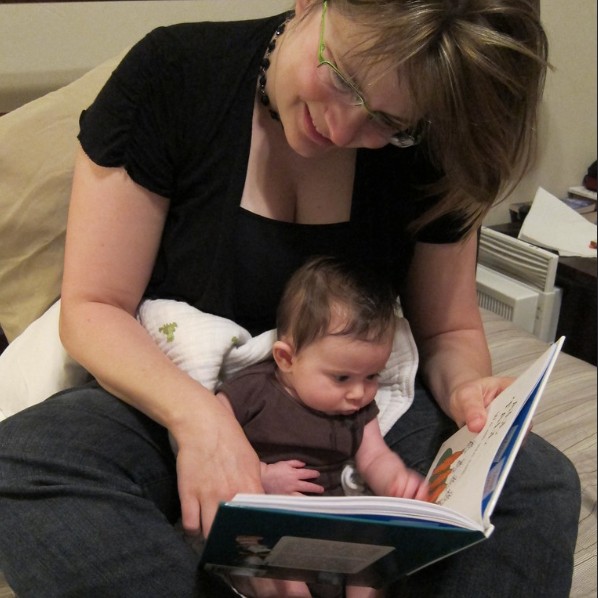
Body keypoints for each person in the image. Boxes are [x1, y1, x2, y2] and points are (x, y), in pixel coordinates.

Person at [0, 1, 580, 597]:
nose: (343, 130)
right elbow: (95, 307)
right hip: (179, 392)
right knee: (25, 460)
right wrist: (203, 423)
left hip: (353, 408)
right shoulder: (175, 73)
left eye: (390, 123)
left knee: (537, 486)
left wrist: (467, 391)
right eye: (344, 80)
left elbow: (446, 332)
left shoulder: (436, 136)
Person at [216, 256, 428, 598]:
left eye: (372, 376)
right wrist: (262, 475)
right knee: (279, 579)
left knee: (373, 569)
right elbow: (214, 443)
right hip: (266, 518)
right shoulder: (252, 391)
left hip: (331, 530)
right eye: (341, 377)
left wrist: (396, 480)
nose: (358, 392)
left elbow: (374, 456)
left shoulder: (358, 409)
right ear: (287, 358)